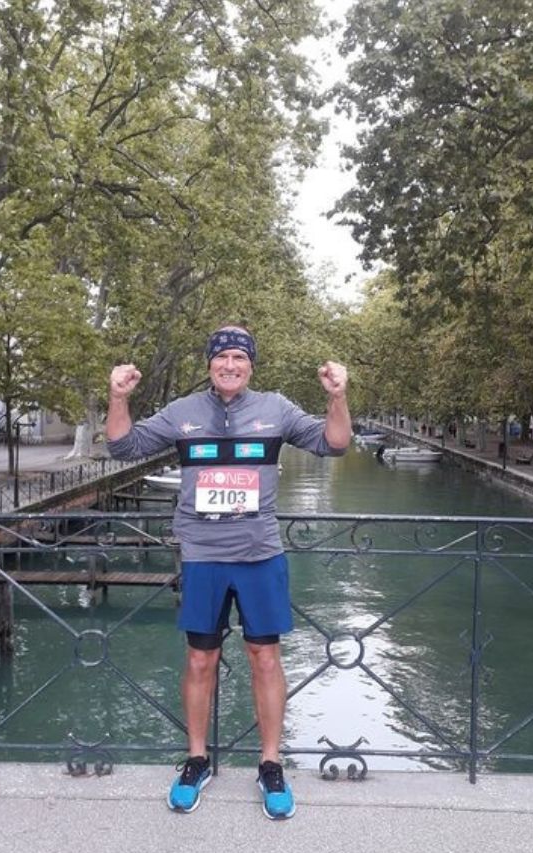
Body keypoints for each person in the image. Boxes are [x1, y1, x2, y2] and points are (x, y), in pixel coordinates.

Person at [106, 325, 350, 819]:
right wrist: (117, 397)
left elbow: (335, 444)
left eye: (239, 357)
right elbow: (122, 446)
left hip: (260, 553)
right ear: (210, 365)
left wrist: (338, 397)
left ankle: (270, 764)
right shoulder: (182, 413)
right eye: (222, 358)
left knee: (265, 657)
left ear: (251, 365)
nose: (230, 365)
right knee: (200, 660)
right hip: (202, 555)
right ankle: (197, 760)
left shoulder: (276, 409)